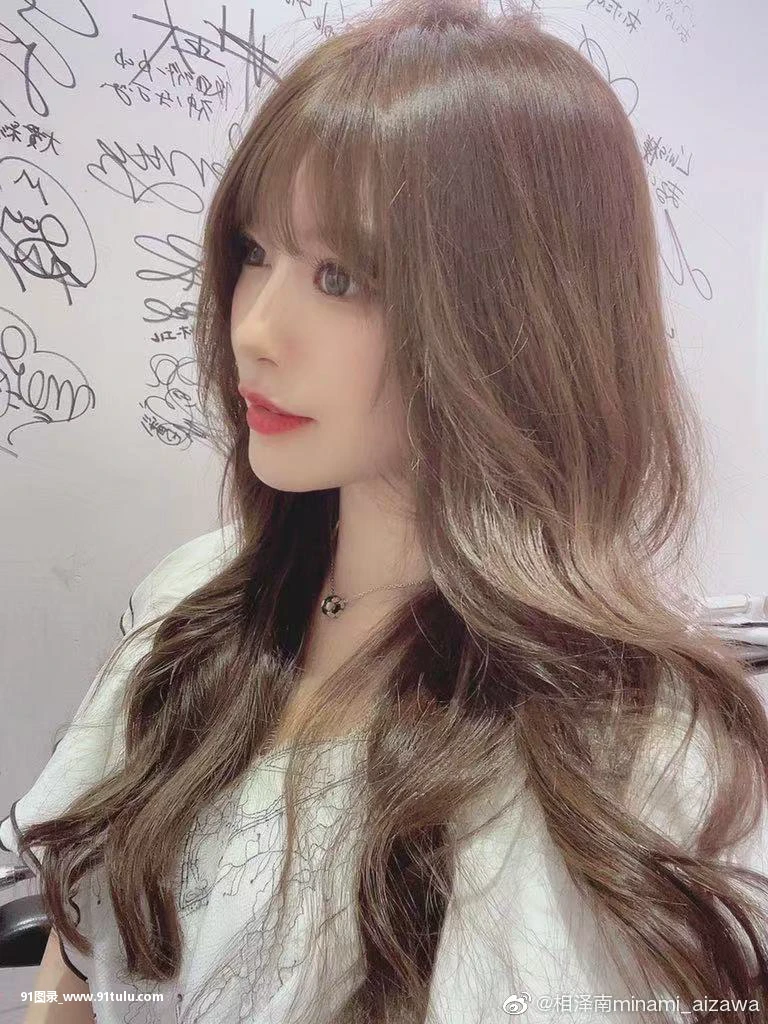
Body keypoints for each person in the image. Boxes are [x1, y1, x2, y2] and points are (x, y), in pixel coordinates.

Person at [3, 0, 767, 1021]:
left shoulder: (634, 756)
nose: (254, 327)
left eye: (341, 276)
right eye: (255, 251)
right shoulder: (192, 601)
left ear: (514, 314)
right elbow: (77, 949)